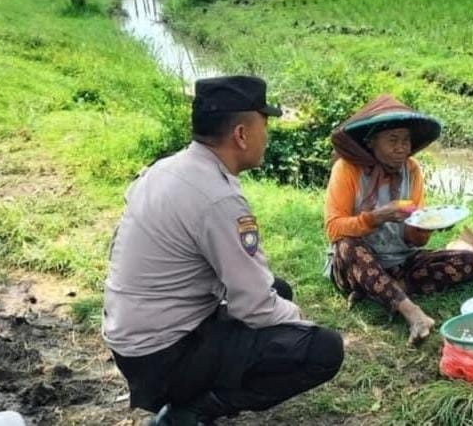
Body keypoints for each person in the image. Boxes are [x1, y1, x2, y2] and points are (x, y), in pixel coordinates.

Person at [102, 76, 343, 426]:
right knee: (323, 349)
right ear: (241, 134)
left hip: (133, 341)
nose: (267, 136)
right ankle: (188, 412)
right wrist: (300, 321)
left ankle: (189, 397)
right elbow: (255, 306)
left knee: (278, 289)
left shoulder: (166, 168)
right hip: (162, 357)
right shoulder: (217, 198)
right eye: (264, 125)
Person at [323, 95, 473, 346]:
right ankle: (412, 313)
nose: (402, 148)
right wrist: (376, 217)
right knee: (346, 244)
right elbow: (333, 229)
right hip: (355, 265)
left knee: (469, 261)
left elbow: (414, 239)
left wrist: (425, 227)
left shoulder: (412, 169)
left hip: (401, 261)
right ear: (371, 142)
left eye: (406, 140)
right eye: (393, 140)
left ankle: (379, 289)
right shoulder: (347, 169)